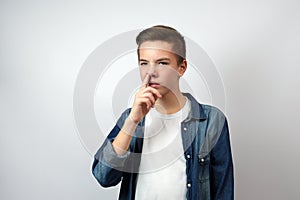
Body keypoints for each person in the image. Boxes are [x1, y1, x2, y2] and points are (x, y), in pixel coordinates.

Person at [92, 25, 234, 200]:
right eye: (144, 63)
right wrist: (132, 121)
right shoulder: (131, 118)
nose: (151, 72)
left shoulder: (212, 121)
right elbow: (104, 177)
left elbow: (223, 192)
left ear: (181, 68)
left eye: (162, 63)